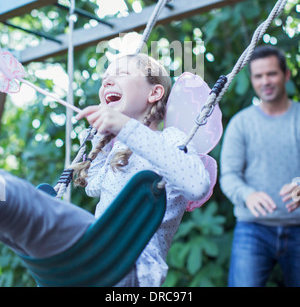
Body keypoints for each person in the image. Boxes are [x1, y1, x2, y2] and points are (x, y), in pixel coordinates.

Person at [0, 52, 213, 287]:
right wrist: (101, 142)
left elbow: (197, 185)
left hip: (128, 261)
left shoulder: (171, 139)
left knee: (19, 202)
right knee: (14, 225)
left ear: (154, 92)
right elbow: (94, 187)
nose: (107, 82)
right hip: (94, 263)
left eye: (121, 74)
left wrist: (125, 127)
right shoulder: (119, 147)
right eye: (104, 79)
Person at [220, 45, 300, 287]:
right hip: (252, 228)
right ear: (252, 79)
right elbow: (229, 176)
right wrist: (248, 194)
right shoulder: (241, 123)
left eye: (272, 73)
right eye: (258, 75)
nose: (265, 81)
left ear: (286, 75)